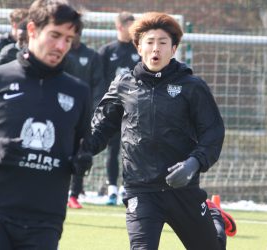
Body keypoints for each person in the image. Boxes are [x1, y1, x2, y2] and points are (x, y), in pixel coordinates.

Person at [76, 12, 235, 250]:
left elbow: (213, 133)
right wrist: (80, 149)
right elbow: (99, 130)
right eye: (149, 42)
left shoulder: (192, 87)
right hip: (141, 189)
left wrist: (193, 164)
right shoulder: (123, 85)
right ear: (138, 47)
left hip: (183, 189)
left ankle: (215, 220)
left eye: (162, 43)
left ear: (173, 49)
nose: (155, 49)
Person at [0, 1, 91, 249]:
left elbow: (82, 145)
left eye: (68, 39)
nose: (61, 46)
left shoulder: (78, 92)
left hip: (46, 219)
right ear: (32, 30)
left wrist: (81, 159)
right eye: (55, 35)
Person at [98, 11, 141, 205]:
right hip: (113, 109)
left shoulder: (139, 51)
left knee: (131, 150)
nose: (133, 31)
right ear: (120, 27)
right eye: (130, 27)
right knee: (112, 149)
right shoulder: (107, 51)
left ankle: (128, 189)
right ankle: (112, 191)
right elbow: (99, 81)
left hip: (134, 110)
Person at [64, 23, 105, 209]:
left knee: (81, 152)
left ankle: (74, 194)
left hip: (84, 113)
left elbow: (98, 85)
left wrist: (94, 110)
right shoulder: (61, 54)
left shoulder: (92, 56)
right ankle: (58, 189)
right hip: (62, 110)